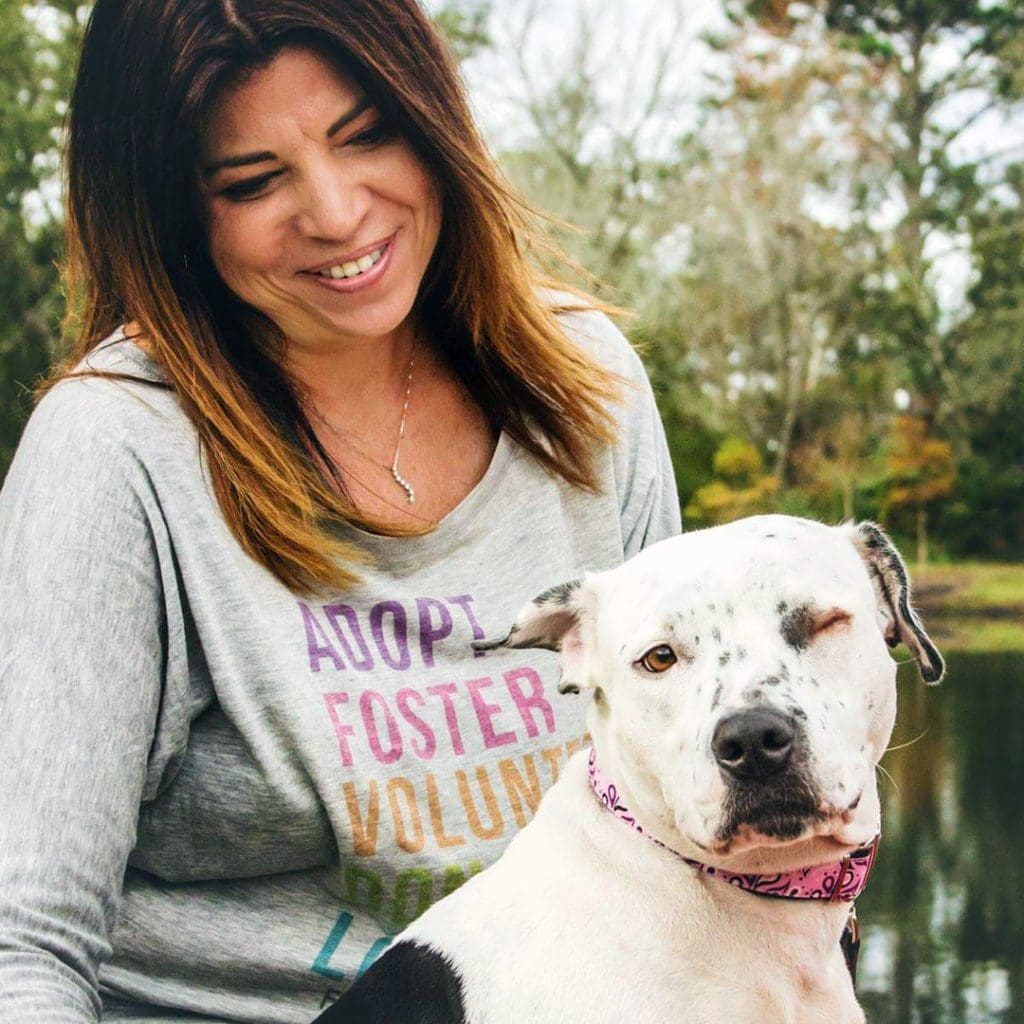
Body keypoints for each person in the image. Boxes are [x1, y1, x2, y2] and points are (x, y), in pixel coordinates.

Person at [0, 0, 680, 1020]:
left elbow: (677, 804)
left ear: (433, 119)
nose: (334, 211)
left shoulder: (589, 387)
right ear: (171, 211)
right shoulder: (113, 451)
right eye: (253, 181)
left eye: (366, 135)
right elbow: (26, 944)